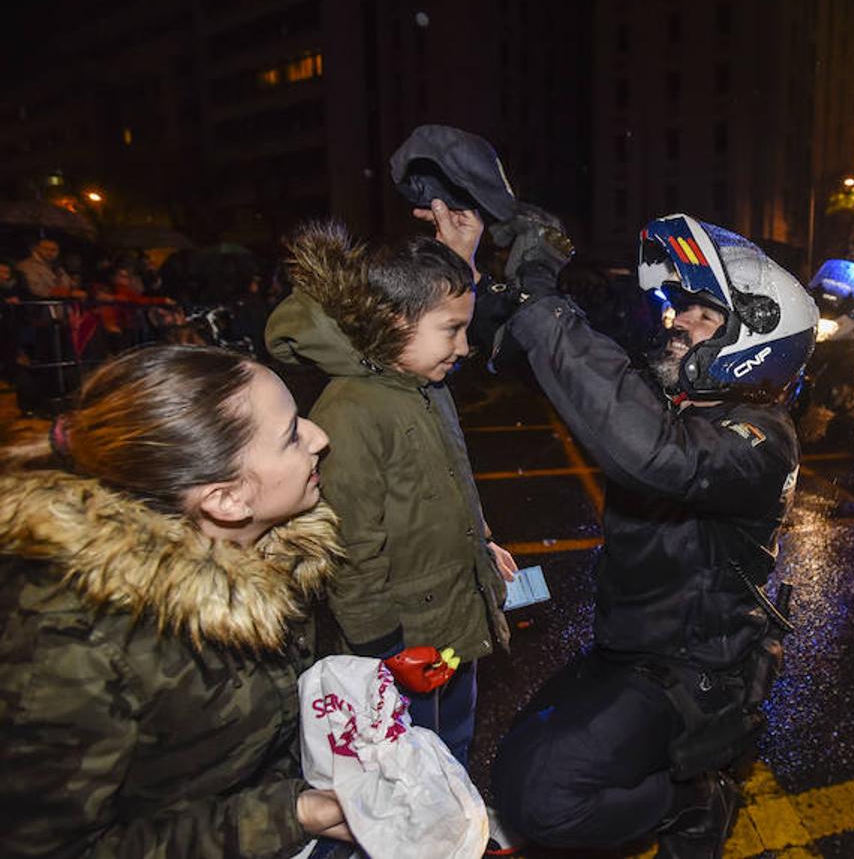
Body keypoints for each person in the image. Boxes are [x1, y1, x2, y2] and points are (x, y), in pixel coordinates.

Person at [488, 212, 817, 858]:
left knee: (545, 799)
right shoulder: (682, 407)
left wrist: (543, 307)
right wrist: (510, 261)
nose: (678, 323)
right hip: (628, 647)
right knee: (515, 767)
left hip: (690, 668)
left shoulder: (758, 437)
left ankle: (692, 804)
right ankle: (673, 785)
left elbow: (657, 455)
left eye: (704, 316)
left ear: (759, 339)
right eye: (683, 309)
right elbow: (591, 379)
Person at [0, 344, 350, 857]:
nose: (321, 437)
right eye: (292, 434)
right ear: (226, 500)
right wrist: (291, 814)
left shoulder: (268, 546)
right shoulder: (70, 647)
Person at [265, 212, 515, 767]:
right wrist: (382, 653)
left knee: (452, 747)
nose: (465, 347)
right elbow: (348, 547)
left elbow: (441, 485)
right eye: (451, 329)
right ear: (391, 320)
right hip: (406, 644)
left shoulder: (423, 383)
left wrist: (480, 548)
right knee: (408, 766)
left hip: (450, 621)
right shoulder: (352, 410)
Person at [15, 237, 80, 299]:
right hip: (38, 308)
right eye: (46, 249)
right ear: (37, 248)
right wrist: (67, 293)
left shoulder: (57, 267)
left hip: (59, 307)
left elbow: (68, 284)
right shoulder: (26, 266)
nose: (50, 253)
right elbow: (36, 289)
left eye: (54, 250)